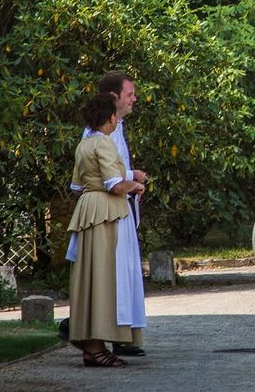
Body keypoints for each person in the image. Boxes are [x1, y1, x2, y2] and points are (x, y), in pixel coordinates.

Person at [66, 92, 146, 367]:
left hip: (87, 208)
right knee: (104, 278)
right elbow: (114, 184)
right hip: (106, 211)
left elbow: (76, 187)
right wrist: (134, 185)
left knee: (89, 277)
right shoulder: (105, 144)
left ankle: (90, 344)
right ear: (111, 118)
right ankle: (98, 343)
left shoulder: (84, 144)